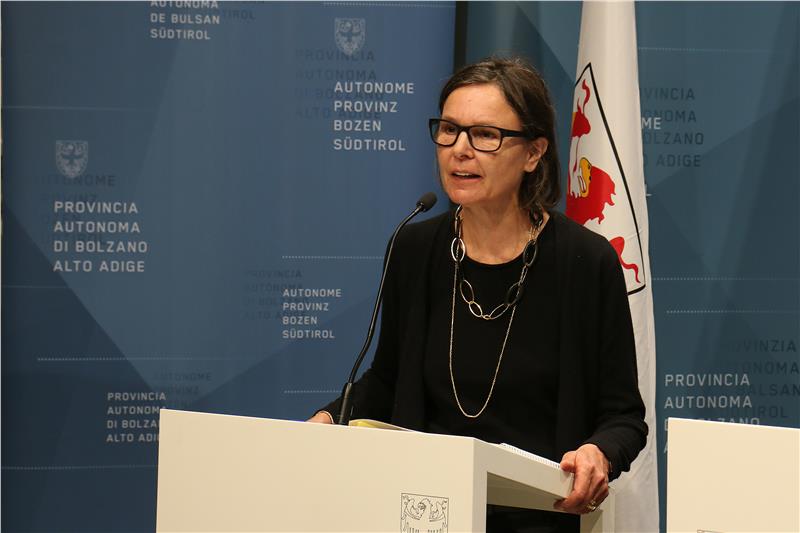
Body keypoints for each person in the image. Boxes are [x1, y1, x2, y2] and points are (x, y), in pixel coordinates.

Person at [308, 56, 647, 532]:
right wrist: (328, 419)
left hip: (538, 517)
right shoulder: (416, 248)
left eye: (485, 135)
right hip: (426, 511)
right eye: (449, 130)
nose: (460, 150)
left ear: (533, 153)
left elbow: (623, 417)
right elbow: (388, 380)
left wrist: (598, 451)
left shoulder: (584, 262)